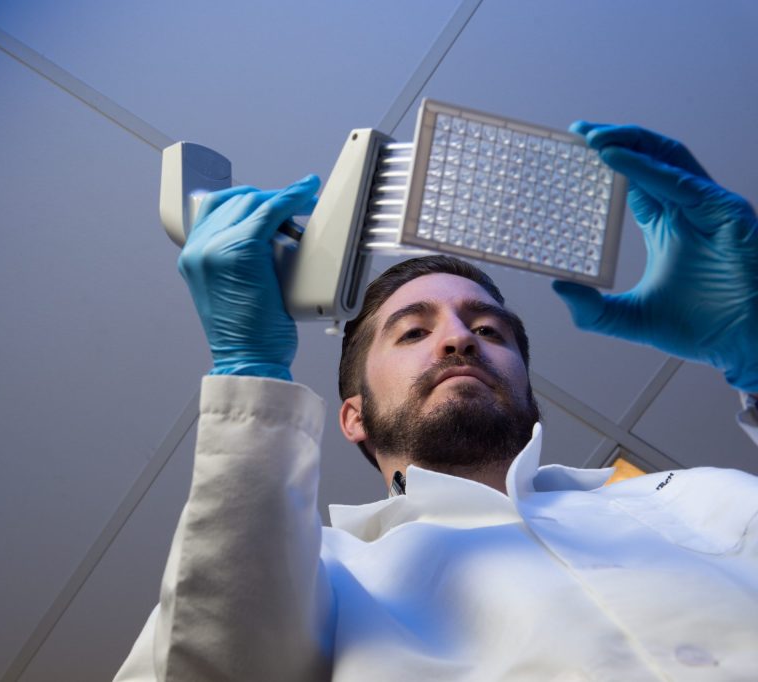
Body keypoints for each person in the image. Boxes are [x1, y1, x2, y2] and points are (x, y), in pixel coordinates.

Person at [114, 123, 758, 681]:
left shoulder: (703, 499)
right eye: (414, 331)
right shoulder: (323, 575)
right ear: (353, 415)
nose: (458, 339)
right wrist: (249, 372)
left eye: (488, 330)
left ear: (531, 397)